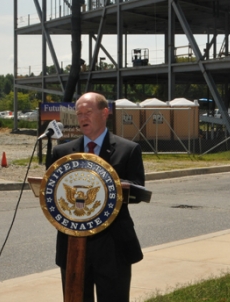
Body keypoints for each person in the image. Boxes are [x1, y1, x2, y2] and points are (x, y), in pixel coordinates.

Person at [47, 92, 145, 302]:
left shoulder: (128, 150)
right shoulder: (62, 153)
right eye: (79, 113)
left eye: (88, 113)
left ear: (105, 113)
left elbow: (138, 191)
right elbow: (50, 194)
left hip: (113, 245)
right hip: (73, 244)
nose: (83, 118)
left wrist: (119, 187)